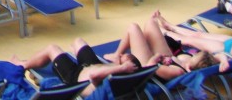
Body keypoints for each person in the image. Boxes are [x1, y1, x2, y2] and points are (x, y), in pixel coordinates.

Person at [12, 37, 141, 96]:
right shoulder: (126, 77)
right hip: (94, 64)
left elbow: (93, 76)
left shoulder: (113, 78)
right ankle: (75, 54)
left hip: (75, 76)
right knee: (78, 41)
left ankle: (22, 64)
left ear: (124, 68)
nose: (121, 55)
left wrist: (120, 67)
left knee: (52, 48)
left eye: (121, 59)